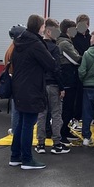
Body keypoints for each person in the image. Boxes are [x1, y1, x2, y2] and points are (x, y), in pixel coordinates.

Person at [9, 14, 57, 170]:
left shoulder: (19, 42)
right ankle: (27, 159)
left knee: (21, 124)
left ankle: (15, 156)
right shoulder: (36, 43)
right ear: (40, 27)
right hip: (32, 88)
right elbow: (50, 64)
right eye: (43, 26)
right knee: (28, 124)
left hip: (19, 87)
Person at [35, 18, 66, 154]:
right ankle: (57, 144)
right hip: (53, 84)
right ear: (48, 31)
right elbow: (57, 69)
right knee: (56, 113)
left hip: (41, 84)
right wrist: (62, 87)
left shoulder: (38, 46)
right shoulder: (55, 48)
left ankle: (40, 144)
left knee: (42, 114)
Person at [57, 19, 82, 148]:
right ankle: (62, 133)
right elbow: (76, 59)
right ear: (68, 30)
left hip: (68, 79)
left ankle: (65, 130)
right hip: (67, 79)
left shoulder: (65, 42)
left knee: (68, 108)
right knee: (66, 108)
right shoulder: (65, 44)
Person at [5, 24, 26, 136]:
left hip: (13, 80)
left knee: (16, 108)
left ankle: (14, 130)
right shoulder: (17, 49)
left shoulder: (10, 47)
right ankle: (16, 130)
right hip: (19, 81)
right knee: (18, 109)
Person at [73, 14, 92, 126]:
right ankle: (75, 117)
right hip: (77, 68)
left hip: (89, 69)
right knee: (77, 95)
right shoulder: (73, 37)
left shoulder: (90, 37)